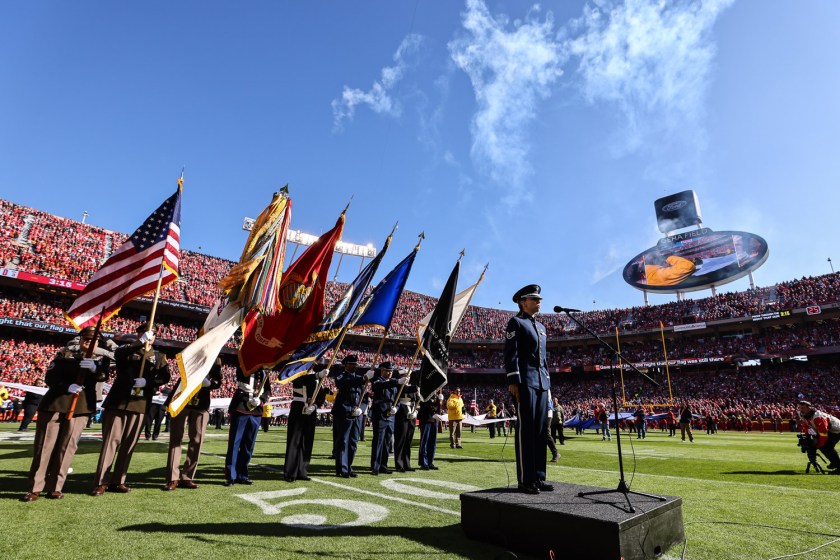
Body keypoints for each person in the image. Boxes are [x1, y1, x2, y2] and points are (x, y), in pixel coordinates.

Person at [22, 327, 111, 502]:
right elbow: (51, 377)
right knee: (44, 447)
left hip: (81, 407)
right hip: (56, 404)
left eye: (95, 340)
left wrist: (95, 369)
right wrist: (66, 386)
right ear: (81, 338)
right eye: (87, 338)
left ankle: (56, 487)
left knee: (67, 447)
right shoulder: (66, 353)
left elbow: (103, 377)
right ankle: (35, 487)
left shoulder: (101, 359)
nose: (90, 342)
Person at [92, 323, 170, 496]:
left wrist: (148, 382)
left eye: (151, 333)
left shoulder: (159, 356)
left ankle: (118, 480)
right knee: (111, 443)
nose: (148, 335)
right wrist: (139, 343)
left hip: (140, 404)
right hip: (118, 402)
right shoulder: (126, 350)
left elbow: (165, 377)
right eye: (143, 332)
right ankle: (101, 481)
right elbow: (118, 355)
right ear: (138, 334)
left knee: (129, 444)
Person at [504, 284, 553, 495]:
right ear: (522, 302)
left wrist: (548, 384)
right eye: (534, 298)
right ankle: (525, 479)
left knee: (541, 432)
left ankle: (539, 477)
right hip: (524, 382)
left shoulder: (541, 327)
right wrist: (513, 381)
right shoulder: (516, 322)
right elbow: (511, 354)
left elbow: (544, 359)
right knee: (526, 432)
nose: (538, 301)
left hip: (542, 383)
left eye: (539, 298)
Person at [163, 356, 223, 491]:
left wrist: (210, 384)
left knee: (197, 439)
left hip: (201, 402)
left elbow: (218, 381)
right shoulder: (192, 351)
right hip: (183, 397)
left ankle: (187, 477)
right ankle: (172, 478)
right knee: (176, 439)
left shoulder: (216, 359)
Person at [224, 366, 271, 486]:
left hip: (256, 410)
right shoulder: (244, 365)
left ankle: (242, 475)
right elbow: (241, 373)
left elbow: (267, 390)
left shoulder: (265, 371)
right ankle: (231, 475)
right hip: (241, 405)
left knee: (249, 444)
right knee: (235, 442)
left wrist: (261, 400)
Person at [283, 365, 329, 482]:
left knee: (307, 441)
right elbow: (299, 380)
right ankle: (290, 472)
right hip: (298, 408)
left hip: (311, 410)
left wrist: (315, 406)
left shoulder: (318, 378)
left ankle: (302, 470)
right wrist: (317, 375)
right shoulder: (298, 373)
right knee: (294, 441)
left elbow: (321, 396)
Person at [332, 355, 373, 478]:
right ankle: (342, 468)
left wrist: (361, 408)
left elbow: (364, 398)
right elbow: (344, 384)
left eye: (355, 364)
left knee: (353, 441)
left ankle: (349, 466)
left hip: (357, 413)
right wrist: (364, 378)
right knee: (343, 441)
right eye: (351, 364)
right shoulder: (341, 376)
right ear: (345, 364)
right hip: (344, 412)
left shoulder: (360, 380)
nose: (354, 366)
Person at [369, 362, 405, 475]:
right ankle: (375, 466)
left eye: (391, 371)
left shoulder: (392, 383)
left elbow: (397, 398)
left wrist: (396, 408)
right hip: (380, 415)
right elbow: (378, 387)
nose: (389, 373)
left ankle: (383, 465)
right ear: (382, 370)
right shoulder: (377, 380)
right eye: (387, 371)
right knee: (378, 441)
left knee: (387, 443)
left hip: (390, 416)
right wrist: (397, 381)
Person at [797, 401, 840, 470]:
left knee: (827, 446)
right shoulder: (801, 414)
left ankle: (838, 465)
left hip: (836, 430)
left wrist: (816, 446)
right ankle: (835, 462)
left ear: (809, 408)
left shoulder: (818, 417)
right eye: (799, 408)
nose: (801, 410)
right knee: (823, 446)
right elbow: (805, 424)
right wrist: (807, 436)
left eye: (803, 408)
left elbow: (823, 436)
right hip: (826, 429)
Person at [393, 370, 419, 472]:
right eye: (404, 375)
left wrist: (416, 410)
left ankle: (407, 463)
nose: (407, 377)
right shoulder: (399, 386)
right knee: (400, 439)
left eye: (408, 375)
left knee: (408, 440)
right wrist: (417, 387)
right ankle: (399, 464)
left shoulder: (413, 387)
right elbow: (405, 390)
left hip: (411, 412)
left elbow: (417, 400)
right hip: (402, 413)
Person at [418, 390, 442, 470]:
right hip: (426, 420)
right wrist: (436, 403)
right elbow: (427, 407)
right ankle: (423, 463)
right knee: (424, 442)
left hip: (434, 421)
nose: (435, 392)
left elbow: (438, 409)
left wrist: (439, 401)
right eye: (434, 391)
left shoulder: (436, 399)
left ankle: (430, 462)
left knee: (432, 442)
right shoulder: (425, 396)